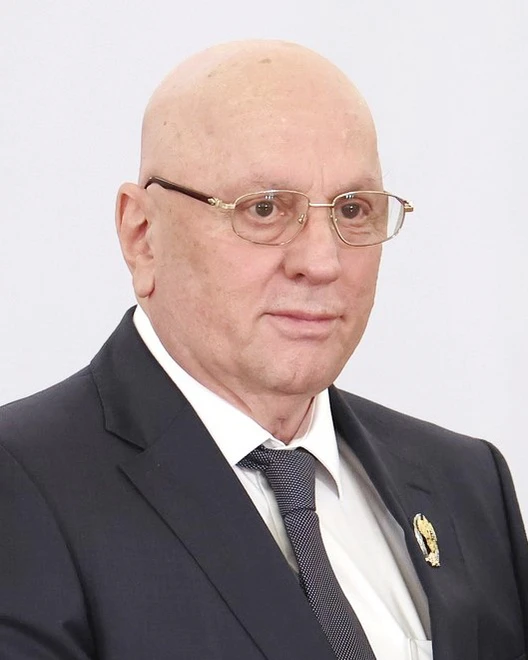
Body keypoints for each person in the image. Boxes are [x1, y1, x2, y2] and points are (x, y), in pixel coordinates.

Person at [0, 40, 526, 660]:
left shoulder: (468, 484)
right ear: (142, 235)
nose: (322, 262)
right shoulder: (21, 487)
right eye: (265, 209)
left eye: (353, 209)